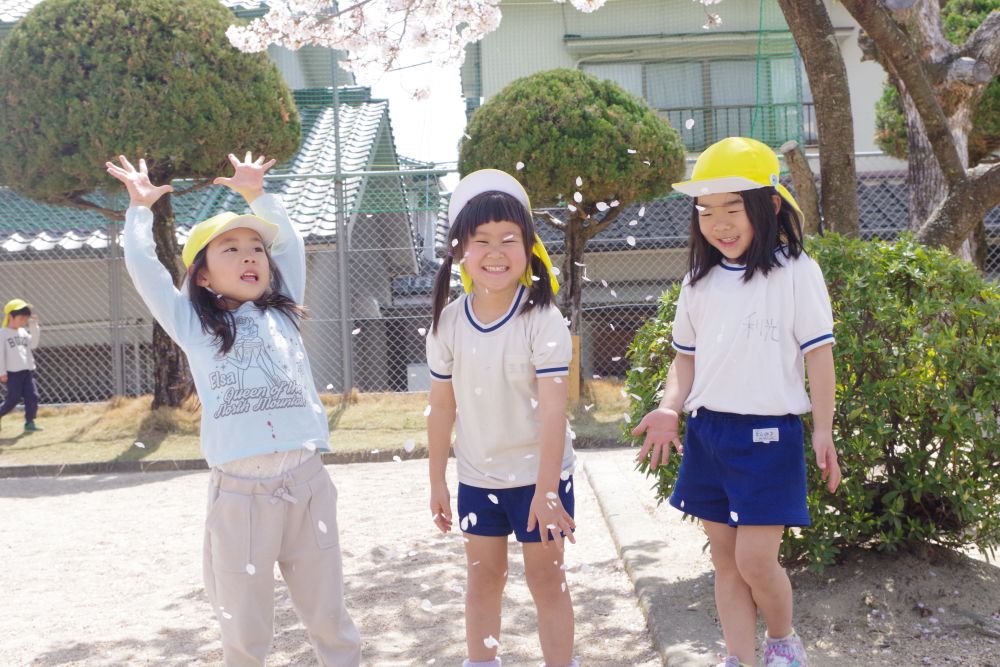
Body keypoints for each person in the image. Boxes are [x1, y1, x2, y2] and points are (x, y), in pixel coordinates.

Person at [107, 153, 361, 667]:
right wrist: (139, 211)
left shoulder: (283, 310)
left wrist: (258, 196)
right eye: (231, 249)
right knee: (245, 635)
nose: (251, 258)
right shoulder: (190, 322)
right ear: (200, 276)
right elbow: (146, 271)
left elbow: (291, 244)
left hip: (307, 484)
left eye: (255, 250)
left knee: (330, 620)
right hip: (240, 499)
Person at [631, 137, 842, 667]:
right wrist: (669, 408)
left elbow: (819, 357)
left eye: (733, 208)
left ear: (768, 206)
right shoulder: (697, 283)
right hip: (709, 434)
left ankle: (782, 639)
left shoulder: (797, 271)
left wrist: (822, 428)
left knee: (754, 560)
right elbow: (685, 362)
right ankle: (740, 659)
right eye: (706, 212)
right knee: (725, 562)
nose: (719, 224)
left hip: (770, 436)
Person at [426, 169, 579, 667]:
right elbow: (441, 408)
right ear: (459, 251)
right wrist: (437, 482)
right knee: (483, 579)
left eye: (509, 239)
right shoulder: (447, 323)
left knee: (546, 581)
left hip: (540, 478)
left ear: (528, 246)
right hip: (478, 478)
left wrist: (547, 487)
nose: (496, 252)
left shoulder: (543, 319)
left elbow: (555, 409)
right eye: (482, 240)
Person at [0, 299, 43, 433]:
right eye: (21, 317)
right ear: (10, 317)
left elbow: (33, 344)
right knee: (13, 399)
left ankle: (29, 422)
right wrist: (2, 372)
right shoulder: (3, 333)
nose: (24, 320)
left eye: (26, 318)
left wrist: (33, 326)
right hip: (12, 373)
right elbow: (0, 354)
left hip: (27, 371)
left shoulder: (23, 332)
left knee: (33, 396)